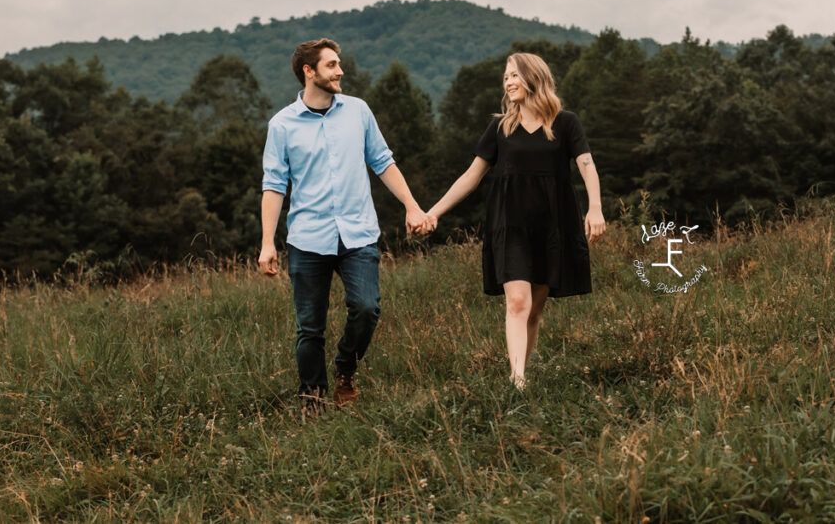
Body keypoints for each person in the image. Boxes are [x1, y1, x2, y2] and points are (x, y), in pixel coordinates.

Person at [259, 38, 428, 416]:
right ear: (309, 71)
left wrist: (412, 206)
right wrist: (268, 243)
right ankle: (313, 398)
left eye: (339, 64)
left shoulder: (358, 111)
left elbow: (382, 161)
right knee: (309, 328)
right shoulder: (282, 125)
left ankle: (345, 368)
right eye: (332, 65)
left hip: (358, 234)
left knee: (367, 307)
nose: (340, 71)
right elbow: (273, 185)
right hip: (307, 238)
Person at [418, 53, 606, 389]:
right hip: (510, 224)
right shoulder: (500, 128)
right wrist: (434, 211)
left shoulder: (566, 123)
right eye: (506, 77)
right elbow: (471, 176)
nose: (508, 82)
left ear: (534, 77)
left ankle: (523, 371)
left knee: (534, 310)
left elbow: (586, 164)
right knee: (517, 302)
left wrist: (595, 208)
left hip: (553, 226)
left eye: (514, 75)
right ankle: (517, 381)